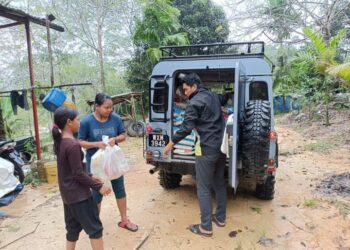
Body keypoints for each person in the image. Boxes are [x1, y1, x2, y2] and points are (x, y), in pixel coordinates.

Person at [164, 73, 228, 237]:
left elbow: (186, 128)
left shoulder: (194, 102)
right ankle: (220, 218)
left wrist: (171, 143)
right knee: (219, 182)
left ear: (194, 86)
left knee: (203, 188)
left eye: (186, 89)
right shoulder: (213, 96)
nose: (184, 93)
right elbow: (224, 99)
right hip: (221, 148)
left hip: (206, 149)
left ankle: (205, 227)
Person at [52, 106, 111, 250]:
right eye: (77, 120)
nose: (80, 122)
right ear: (68, 122)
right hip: (79, 196)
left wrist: (90, 176)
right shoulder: (72, 145)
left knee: (72, 230)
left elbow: (72, 170)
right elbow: (77, 174)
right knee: (95, 230)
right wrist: (99, 187)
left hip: (68, 195)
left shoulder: (61, 141)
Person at [78, 93, 138, 232]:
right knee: (96, 193)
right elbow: (80, 141)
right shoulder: (87, 122)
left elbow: (124, 135)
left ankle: (124, 219)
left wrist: (115, 139)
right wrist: (96, 144)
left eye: (111, 107)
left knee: (120, 189)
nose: (110, 110)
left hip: (113, 161)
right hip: (96, 165)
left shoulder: (115, 119)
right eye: (106, 107)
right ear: (97, 106)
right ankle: (95, 224)